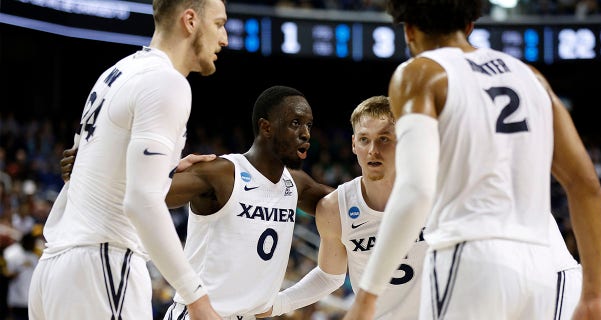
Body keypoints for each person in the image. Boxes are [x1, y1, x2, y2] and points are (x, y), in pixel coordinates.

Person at [343, 1, 601, 320]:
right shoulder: (531, 78)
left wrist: (368, 294)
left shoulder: (420, 72)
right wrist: (594, 293)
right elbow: (586, 184)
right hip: (543, 266)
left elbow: (416, 190)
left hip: (471, 258)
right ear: (470, 26)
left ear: (409, 31)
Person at [28, 1, 229, 319]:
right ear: (190, 20)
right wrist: (198, 300)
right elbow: (140, 201)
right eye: (219, 24)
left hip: (55, 271)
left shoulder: (114, 74)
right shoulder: (168, 82)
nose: (225, 39)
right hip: (104, 264)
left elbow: (81, 169)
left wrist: (165, 170)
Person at [160, 85, 333, 319]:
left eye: (309, 125)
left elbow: (354, 204)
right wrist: (165, 170)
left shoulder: (297, 185)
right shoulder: (220, 173)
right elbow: (144, 196)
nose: (306, 134)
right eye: (295, 123)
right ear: (266, 127)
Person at [259, 95, 426, 319]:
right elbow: (329, 276)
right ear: (354, 144)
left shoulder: (434, 194)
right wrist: (277, 304)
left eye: (384, 139)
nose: (373, 150)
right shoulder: (334, 208)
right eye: (365, 139)